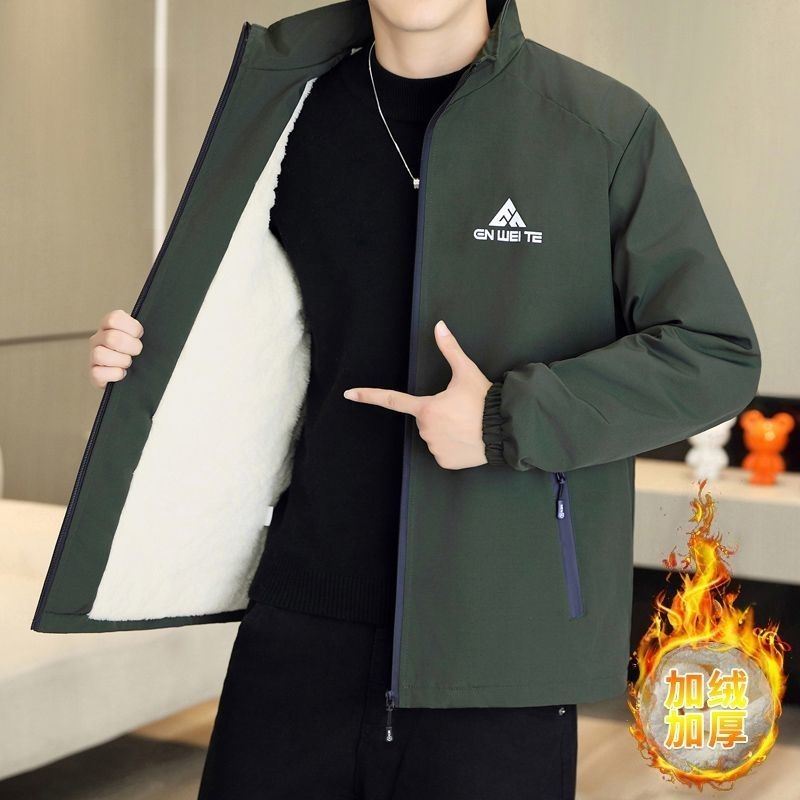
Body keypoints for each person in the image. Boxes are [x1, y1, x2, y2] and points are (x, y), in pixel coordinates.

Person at [61, 0, 759, 798]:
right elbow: (262, 325)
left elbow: (713, 352)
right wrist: (151, 360)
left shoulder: (600, 128)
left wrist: (504, 419)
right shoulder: (288, 111)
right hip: (300, 618)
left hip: (499, 641)